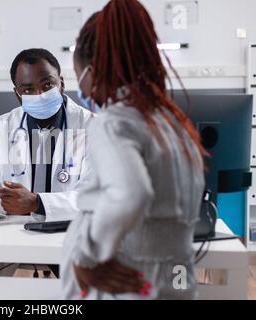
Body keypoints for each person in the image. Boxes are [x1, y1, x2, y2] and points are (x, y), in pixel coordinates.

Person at [61, 0, 207, 300]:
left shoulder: (115, 122)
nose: (84, 90)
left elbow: (130, 195)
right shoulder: (174, 124)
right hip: (174, 277)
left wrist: (87, 256)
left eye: (79, 76)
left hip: (126, 280)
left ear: (92, 72)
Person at [0, 49, 93, 277]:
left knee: (79, 283)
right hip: (12, 236)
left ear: (61, 83)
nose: (40, 94)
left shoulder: (92, 126)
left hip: (69, 235)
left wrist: (38, 203)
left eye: (47, 85)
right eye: (28, 89)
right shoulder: (1, 127)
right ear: (18, 94)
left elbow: (95, 198)